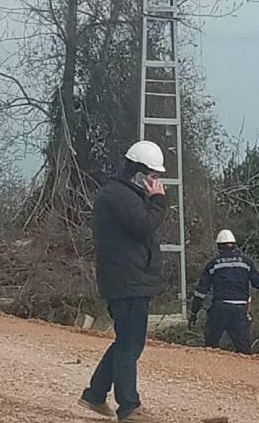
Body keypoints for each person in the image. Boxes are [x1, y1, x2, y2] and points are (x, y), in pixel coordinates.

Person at [78, 140, 169, 423]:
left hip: (131, 279)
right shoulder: (119, 196)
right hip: (126, 281)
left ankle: (95, 394)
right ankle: (129, 407)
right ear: (138, 172)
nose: (156, 184)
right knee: (130, 345)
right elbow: (143, 226)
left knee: (126, 342)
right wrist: (158, 202)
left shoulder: (125, 194)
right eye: (153, 177)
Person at [187, 229, 259, 354]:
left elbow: (200, 293)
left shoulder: (213, 265)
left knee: (211, 345)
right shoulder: (246, 263)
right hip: (240, 310)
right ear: (234, 245)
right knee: (244, 350)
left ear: (219, 246)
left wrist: (193, 314)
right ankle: (246, 371)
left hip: (220, 309)